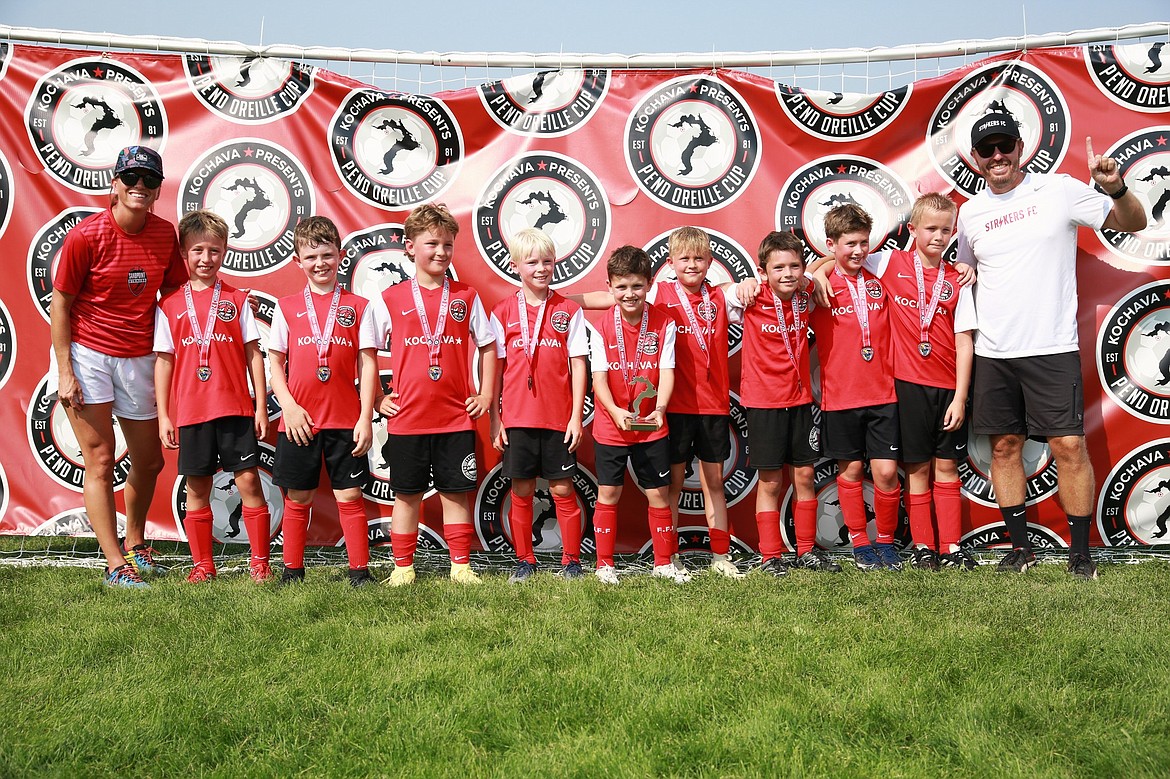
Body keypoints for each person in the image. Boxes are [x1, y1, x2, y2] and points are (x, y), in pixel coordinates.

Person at [954, 114, 1146, 579]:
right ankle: (1021, 550)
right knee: (1003, 448)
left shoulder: (1058, 190)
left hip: (1051, 347)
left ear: (1021, 148)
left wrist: (1115, 188)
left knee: (1068, 447)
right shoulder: (970, 212)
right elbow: (963, 269)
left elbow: (1134, 222)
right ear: (976, 159)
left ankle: (1080, 555)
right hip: (994, 352)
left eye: (1005, 146)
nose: (997, 156)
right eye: (988, 149)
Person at [814, 195, 977, 570]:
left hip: (945, 388)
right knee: (914, 469)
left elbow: (964, 339)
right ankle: (919, 547)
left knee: (941, 467)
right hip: (902, 386)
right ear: (913, 229)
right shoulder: (889, 261)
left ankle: (949, 546)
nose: (938, 236)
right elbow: (840, 254)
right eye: (930, 228)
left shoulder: (957, 277)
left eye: (945, 230)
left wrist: (961, 395)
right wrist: (819, 272)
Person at [50, 145, 188, 588]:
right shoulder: (85, 236)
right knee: (101, 460)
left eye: (150, 181)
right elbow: (62, 304)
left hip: (139, 356)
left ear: (158, 188)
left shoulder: (165, 234)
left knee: (149, 461)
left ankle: (135, 545)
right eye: (132, 179)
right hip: (88, 356)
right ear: (115, 184)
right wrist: (66, 370)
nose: (140, 188)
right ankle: (114, 564)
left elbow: (175, 294)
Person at [571, 227, 741, 579]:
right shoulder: (659, 294)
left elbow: (754, 287)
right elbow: (610, 296)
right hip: (673, 410)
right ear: (669, 265)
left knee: (712, 482)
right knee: (669, 488)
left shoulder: (721, 295)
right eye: (684, 259)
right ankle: (668, 556)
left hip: (709, 407)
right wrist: (558, 300)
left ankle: (720, 555)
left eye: (699, 259)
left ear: (711, 261)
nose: (692, 265)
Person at [374, 204, 497, 586]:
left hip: (455, 417)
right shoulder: (389, 298)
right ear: (410, 247)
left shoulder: (466, 296)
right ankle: (402, 567)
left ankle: (460, 565)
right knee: (407, 496)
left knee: (455, 494)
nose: (441, 252)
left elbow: (489, 345)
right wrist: (379, 399)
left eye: (447, 244)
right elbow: (366, 352)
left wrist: (487, 394)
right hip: (407, 419)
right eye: (432, 244)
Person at [154, 210, 272, 583]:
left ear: (225, 253)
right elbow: (164, 362)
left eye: (215, 251)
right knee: (197, 486)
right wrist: (164, 416)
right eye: (198, 251)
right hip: (192, 411)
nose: (207, 259)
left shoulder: (237, 299)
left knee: (249, 482)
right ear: (184, 255)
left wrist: (259, 406)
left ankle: (260, 562)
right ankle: (203, 564)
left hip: (235, 408)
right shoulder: (169, 306)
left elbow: (254, 352)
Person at [267, 216, 378, 587]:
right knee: (299, 495)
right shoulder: (285, 307)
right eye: (311, 256)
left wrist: (365, 417)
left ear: (341, 256)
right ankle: (292, 571)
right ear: (297, 261)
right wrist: (289, 406)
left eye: (327, 255)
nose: (320, 263)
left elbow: (368, 363)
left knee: (350, 493)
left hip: (346, 420)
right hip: (300, 421)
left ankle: (359, 572)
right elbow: (275, 363)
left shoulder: (359, 306)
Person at [729, 232, 840, 576]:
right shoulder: (749, 296)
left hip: (801, 400)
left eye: (795, 266)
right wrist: (741, 285)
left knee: (805, 475)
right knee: (771, 481)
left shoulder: (806, 293)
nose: (787, 274)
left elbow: (836, 258)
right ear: (763, 271)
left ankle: (806, 550)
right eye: (778, 268)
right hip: (764, 404)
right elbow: (720, 293)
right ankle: (770, 556)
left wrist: (817, 273)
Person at [488, 228, 589, 582]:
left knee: (562, 489)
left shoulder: (569, 310)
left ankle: (571, 561)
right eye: (532, 262)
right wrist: (495, 420)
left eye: (547, 261)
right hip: (517, 418)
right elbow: (495, 369)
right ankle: (525, 561)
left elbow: (579, 364)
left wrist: (576, 417)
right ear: (516, 265)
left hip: (558, 419)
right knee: (522, 489)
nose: (541, 269)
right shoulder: (501, 312)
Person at [807, 204, 903, 572]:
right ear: (831, 244)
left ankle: (887, 543)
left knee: (886, 473)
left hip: (884, 395)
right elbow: (791, 280)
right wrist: (818, 271)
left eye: (864, 242)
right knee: (849, 472)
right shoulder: (820, 286)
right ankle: (860, 544)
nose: (859, 251)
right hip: (840, 398)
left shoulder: (882, 277)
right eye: (849, 244)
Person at [588, 245, 679, 584]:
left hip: (652, 425)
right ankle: (604, 565)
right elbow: (598, 378)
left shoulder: (663, 322)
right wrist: (614, 411)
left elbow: (667, 370)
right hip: (611, 426)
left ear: (649, 284)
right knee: (608, 493)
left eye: (637, 286)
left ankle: (663, 563)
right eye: (622, 287)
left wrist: (659, 409)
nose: (630, 294)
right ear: (610, 287)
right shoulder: (600, 326)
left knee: (658, 493)